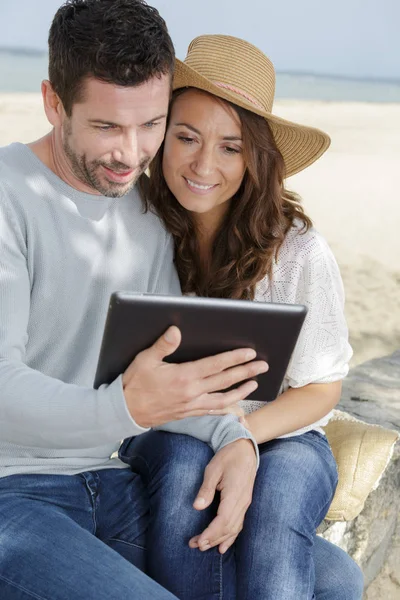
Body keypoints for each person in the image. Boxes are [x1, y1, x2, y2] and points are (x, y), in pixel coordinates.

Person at [0, 4, 272, 599]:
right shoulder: (6, 195)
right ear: (53, 102)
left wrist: (236, 441)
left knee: (331, 579)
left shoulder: (147, 215)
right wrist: (126, 409)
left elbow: (168, 380)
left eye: (151, 124)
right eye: (106, 128)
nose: (131, 154)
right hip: (9, 494)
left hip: (111, 478)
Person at [123, 35, 365, 599]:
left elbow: (323, 386)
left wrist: (243, 438)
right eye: (186, 137)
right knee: (189, 482)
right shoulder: (136, 226)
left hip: (283, 432)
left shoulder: (298, 250)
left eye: (230, 147)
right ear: (160, 137)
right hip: (172, 428)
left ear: (255, 156)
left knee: (277, 514)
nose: (204, 165)